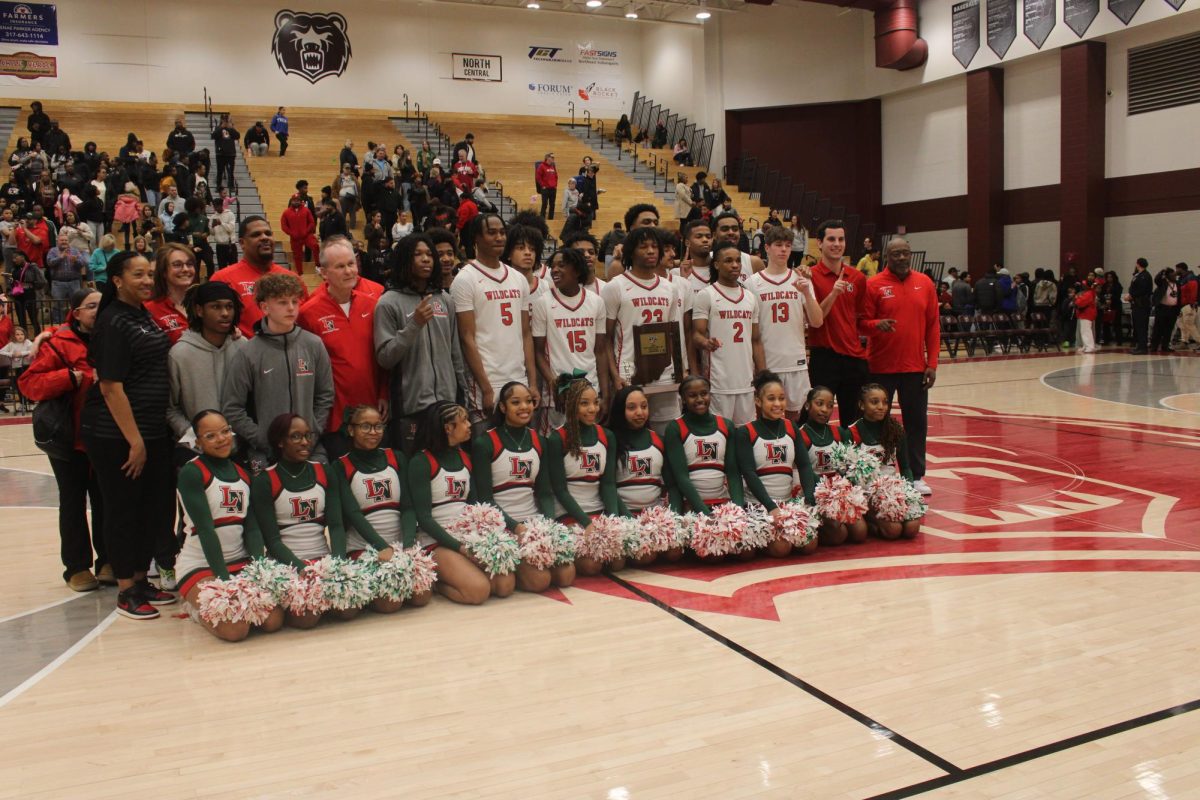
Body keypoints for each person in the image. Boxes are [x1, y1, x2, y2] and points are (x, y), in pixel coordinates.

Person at [80, 251, 177, 619]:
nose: (148, 280)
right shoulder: (113, 321)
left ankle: (140, 578)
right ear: (117, 280)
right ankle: (125, 589)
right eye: (138, 274)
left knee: (149, 507)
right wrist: (134, 441)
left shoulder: (141, 314)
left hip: (149, 429)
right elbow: (110, 387)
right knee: (123, 508)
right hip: (115, 434)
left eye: (151, 274)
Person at [19, 289, 110, 589]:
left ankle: (109, 560)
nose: (98, 310)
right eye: (91, 306)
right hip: (69, 441)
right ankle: (76, 567)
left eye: (102, 305)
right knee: (72, 503)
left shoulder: (114, 338)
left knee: (107, 500)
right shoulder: (58, 343)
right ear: (76, 312)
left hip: (107, 436)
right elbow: (28, 384)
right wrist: (67, 379)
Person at [175, 410, 285, 641]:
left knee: (273, 621)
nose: (222, 439)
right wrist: (224, 581)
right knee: (235, 630)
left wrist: (257, 571)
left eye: (225, 431)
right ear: (198, 442)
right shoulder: (191, 473)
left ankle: (227, 601)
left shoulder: (244, 474)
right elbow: (206, 530)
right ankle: (194, 608)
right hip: (201, 565)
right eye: (211, 435)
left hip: (239, 562)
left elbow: (252, 528)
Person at [252, 414, 356, 628]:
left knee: (349, 608)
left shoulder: (324, 471)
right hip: (287, 564)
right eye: (296, 437)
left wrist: (336, 564)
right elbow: (272, 541)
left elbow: (336, 525)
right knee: (307, 619)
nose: (305, 442)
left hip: (322, 558)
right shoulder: (265, 480)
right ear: (280, 442)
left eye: (307, 436)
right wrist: (302, 569)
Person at [223, 272, 333, 471]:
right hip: (266, 451)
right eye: (282, 302)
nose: (291, 308)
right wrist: (262, 438)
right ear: (265, 307)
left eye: (294, 301)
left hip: (310, 447)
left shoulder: (314, 345)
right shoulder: (248, 352)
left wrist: (313, 433)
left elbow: (325, 395)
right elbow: (232, 407)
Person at [859, 237, 938, 496]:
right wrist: (875, 325)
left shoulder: (925, 283)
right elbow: (861, 323)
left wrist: (932, 362)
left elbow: (933, 325)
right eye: (896, 254)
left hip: (915, 368)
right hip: (880, 367)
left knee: (916, 422)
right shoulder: (873, 285)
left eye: (905, 253)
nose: (902, 258)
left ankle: (915, 475)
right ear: (886, 257)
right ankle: (875, 471)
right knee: (876, 422)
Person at [450, 213, 540, 432]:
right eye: (491, 232)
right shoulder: (465, 279)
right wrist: (486, 387)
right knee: (488, 449)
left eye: (502, 232)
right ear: (476, 239)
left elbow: (526, 333)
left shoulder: (518, 278)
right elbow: (466, 337)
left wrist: (533, 382)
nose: (499, 237)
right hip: (487, 379)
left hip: (518, 376)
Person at [297, 237, 385, 458]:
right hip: (336, 419)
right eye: (340, 266)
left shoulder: (373, 305)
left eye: (351, 264)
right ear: (324, 273)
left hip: (375, 411)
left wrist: (384, 393)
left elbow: (382, 355)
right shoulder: (309, 313)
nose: (348, 271)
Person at [336, 405, 419, 614]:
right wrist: (382, 547)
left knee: (421, 596)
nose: (373, 432)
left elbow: (408, 508)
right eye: (366, 426)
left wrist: (407, 546)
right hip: (364, 547)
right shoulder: (339, 466)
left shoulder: (396, 457)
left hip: (398, 546)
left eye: (378, 426)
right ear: (351, 430)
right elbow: (353, 514)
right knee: (390, 604)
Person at [405, 402, 490, 604]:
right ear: (448, 428)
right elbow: (424, 518)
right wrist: (459, 548)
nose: (470, 425)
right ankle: (437, 583)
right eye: (464, 421)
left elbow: (474, 505)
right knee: (478, 591)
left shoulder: (465, 457)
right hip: (435, 540)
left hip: (466, 536)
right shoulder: (421, 462)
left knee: (503, 583)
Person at [469, 382, 547, 596]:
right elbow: (485, 499)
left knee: (565, 574)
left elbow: (545, 492)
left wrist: (548, 526)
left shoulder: (539, 440)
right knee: (530, 582)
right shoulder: (485, 443)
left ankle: (519, 565)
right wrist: (515, 527)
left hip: (532, 522)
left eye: (529, 401)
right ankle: (507, 566)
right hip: (502, 526)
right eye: (516, 402)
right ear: (502, 408)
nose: (524, 407)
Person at [603, 226, 682, 434]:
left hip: (665, 370)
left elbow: (672, 332)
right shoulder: (615, 287)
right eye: (643, 247)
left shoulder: (669, 288)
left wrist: (679, 370)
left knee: (667, 430)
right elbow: (606, 338)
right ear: (630, 251)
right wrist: (614, 374)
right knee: (630, 429)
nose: (650, 251)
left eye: (655, 246)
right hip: (629, 370)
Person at [736, 371, 818, 557]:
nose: (778, 404)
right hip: (759, 504)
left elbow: (804, 465)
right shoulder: (745, 432)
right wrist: (771, 507)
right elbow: (748, 473)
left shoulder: (791, 427)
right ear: (758, 401)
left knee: (809, 545)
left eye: (781, 398)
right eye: (771, 399)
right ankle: (759, 537)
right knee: (782, 549)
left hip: (787, 504)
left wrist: (808, 500)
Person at [747, 225, 824, 420]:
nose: (783, 250)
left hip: (795, 360)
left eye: (788, 245)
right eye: (778, 245)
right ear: (767, 248)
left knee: (794, 417)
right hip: (767, 361)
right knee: (764, 415)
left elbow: (817, 321)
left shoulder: (801, 279)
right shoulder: (752, 283)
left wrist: (806, 292)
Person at [546, 375, 618, 577]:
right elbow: (559, 490)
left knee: (618, 561)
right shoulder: (556, 438)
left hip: (598, 510)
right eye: (584, 404)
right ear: (570, 405)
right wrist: (586, 523)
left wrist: (612, 521)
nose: (593, 409)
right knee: (592, 566)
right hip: (570, 513)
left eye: (595, 402)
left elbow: (609, 484)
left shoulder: (607, 436)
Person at [532, 247, 611, 426]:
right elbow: (537, 353)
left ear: (576, 269)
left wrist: (605, 394)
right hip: (558, 394)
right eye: (553, 266)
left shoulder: (596, 302)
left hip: (591, 389)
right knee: (558, 448)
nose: (555, 270)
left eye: (562, 265)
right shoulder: (542, 303)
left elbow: (600, 351)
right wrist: (556, 385)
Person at [166, 281, 245, 456]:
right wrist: (196, 440)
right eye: (215, 307)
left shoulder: (242, 347)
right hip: (196, 452)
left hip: (241, 449)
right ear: (199, 310)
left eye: (229, 307)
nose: (225, 313)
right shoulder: (180, 354)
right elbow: (171, 409)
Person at [691, 241, 764, 426]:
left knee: (746, 434)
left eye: (738, 261)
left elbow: (756, 340)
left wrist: (763, 376)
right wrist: (706, 342)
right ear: (716, 264)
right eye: (728, 261)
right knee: (721, 434)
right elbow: (696, 335)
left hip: (746, 381)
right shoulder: (706, 295)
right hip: (718, 382)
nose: (735, 265)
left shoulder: (750, 297)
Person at [807, 220, 868, 426]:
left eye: (841, 239)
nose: (837, 244)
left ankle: (852, 459)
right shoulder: (810, 276)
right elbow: (812, 319)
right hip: (824, 358)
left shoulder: (858, 278)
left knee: (853, 422)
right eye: (831, 239)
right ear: (819, 243)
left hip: (853, 358)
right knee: (816, 419)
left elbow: (859, 316)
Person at [211, 216, 307, 338]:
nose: (264, 237)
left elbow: (304, 319)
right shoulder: (223, 279)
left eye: (268, 233)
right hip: (244, 353)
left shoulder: (293, 279)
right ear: (242, 243)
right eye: (256, 235)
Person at [848, 384, 920, 540]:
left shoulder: (895, 429)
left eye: (885, 402)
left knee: (912, 528)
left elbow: (906, 467)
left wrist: (909, 493)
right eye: (874, 402)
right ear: (861, 405)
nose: (881, 407)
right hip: (867, 493)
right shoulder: (851, 432)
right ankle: (869, 520)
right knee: (893, 530)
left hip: (893, 490)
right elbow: (848, 475)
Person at [664, 375, 742, 512]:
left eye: (704, 393)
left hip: (722, 505)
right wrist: (704, 513)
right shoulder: (675, 428)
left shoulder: (726, 425)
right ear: (683, 399)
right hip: (691, 507)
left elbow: (733, 473)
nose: (700, 399)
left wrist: (738, 511)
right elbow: (681, 477)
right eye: (692, 395)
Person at [608, 384, 678, 520]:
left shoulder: (659, 441)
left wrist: (673, 517)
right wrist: (629, 520)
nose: (639, 412)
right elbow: (607, 487)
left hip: (655, 518)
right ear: (620, 410)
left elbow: (672, 485)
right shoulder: (611, 441)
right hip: (623, 519)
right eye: (631, 408)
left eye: (644, 406)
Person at [143, 243, 196, 345]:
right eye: (177, 265)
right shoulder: (149, 310)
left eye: (189, 264)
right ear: (163, 272)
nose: (185, 269)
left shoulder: (204, 304)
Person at [45, 231, 89, 325]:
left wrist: (76, 261)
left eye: (66, 240)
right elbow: (49, 263)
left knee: (76, 304)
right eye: (62, 240)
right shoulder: (53, 251)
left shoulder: (75, 251)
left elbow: (82, 264)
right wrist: (60, 257)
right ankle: (58, 325)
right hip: (58, 283)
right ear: (58, 241)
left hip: (74, 282)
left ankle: (75, 324)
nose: (64, 242)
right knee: (57, 305)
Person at [5, 250, 44, 335]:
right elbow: (12, 282)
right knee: (21, 319)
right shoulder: (13, 269)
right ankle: (23, 339)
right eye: (13, 258)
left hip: (30, 294)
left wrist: (31, 285)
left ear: (22, 256)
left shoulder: (32, 267)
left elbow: (42, 281)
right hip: (18, 295)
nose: (14, 260)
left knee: (33, 317)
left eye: (16, 257)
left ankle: (38, 337)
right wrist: (10, 284)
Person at [280, 193, 318, 275]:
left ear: (301, 201)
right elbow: (284, 226)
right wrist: (291, 233)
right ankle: (300, 273)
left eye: (298, 200)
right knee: (297, 256)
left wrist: (306, 231)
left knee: (315, 246)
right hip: (295, 238)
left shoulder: (306, 210)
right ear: (291, 201)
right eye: (294, 200)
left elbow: (311, 222)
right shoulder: (286, 212)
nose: (296, 202)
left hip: (307, 236)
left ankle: (318, 265)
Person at [1125, 258, 1152, 354]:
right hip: (1136, 304)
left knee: (1141, 326)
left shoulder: (1144, 276)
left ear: (1138, 264)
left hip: (1141, 305)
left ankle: (1142, 347)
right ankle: (1139, 345)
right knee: (1137, 326)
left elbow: (1143, 290)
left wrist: (1132, 296)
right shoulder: (1139, 275)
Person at [210, 115, 239, 191]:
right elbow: (213, 136)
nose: (225, 121)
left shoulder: (231, 128)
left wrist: (231, 127)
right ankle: (218, 186)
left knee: (230, 171)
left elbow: (237, 136)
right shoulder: (217, 128)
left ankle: (231, 186)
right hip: (220, 154)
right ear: (221, 120)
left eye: (226, 119)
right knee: (220, 171)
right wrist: (221, 127)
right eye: (223, 119)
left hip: (230, 154)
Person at [1074, 277, 1099, 354]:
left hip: (1086, 314)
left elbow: (1080, 303)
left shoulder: (1088, 294)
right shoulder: (1090, 293)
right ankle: (1085, 345)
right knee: (1084, 330)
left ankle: (1090, 346)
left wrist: (1077, 298)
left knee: (1086, 331)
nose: (1082, 286)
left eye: (1084, 284)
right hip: (1085, 314)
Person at [535, 152, 558, 220]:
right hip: (545, 189)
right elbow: (538, 177)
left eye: (554, 158)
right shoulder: (541, 166)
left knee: (552, 204)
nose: (553, 159)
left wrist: (555, 185)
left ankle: (551, 219)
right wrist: (543, 185)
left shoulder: (553, 166)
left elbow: (556, 176)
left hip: (553, 188)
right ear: (547, 158)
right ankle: (542, 219)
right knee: (544, 204)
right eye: (552, 157)